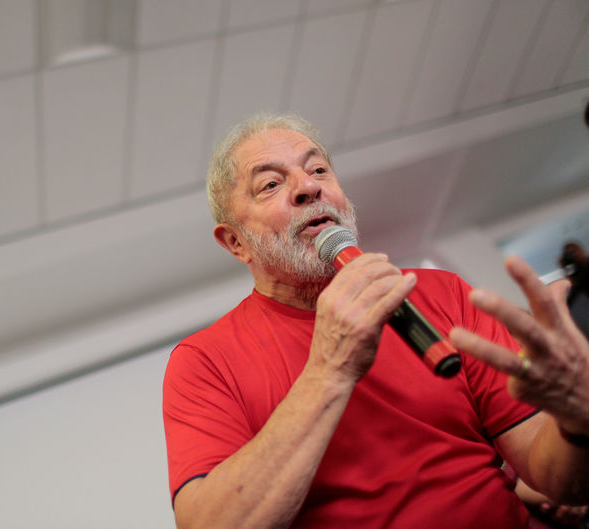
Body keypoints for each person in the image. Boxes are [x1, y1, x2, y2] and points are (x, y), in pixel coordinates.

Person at [162, 112, 589, 528]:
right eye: (271, 184)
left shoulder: (442, 293)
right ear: (236, 242)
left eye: (319, 170)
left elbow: (557, 478)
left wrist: (577, 423)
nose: (308, 187)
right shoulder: (204, 362)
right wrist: (330, 368)